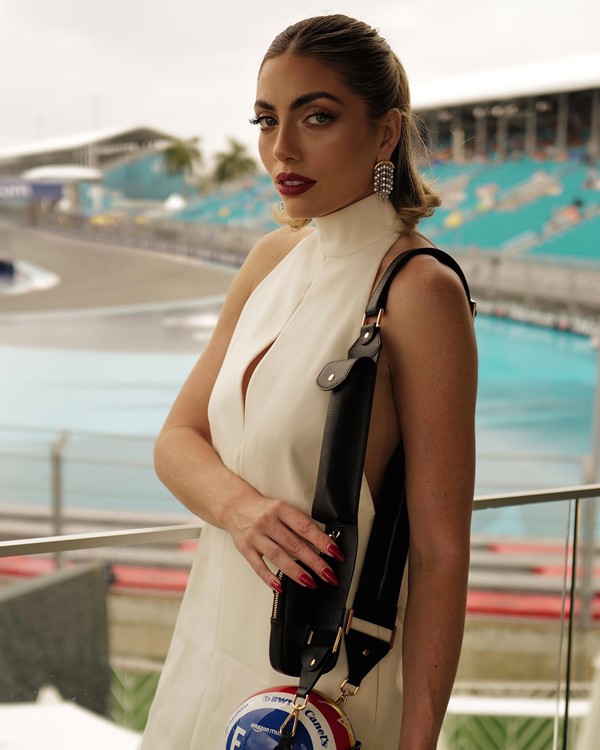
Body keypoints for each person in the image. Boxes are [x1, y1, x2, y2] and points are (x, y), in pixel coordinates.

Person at [141, 14, 477, 750]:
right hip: (206, 654)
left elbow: (441, 553)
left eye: (316, 116)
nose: (281, 148)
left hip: (325, 693)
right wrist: (240, 509)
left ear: (385, 133)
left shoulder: (420, 290)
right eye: (266, 120)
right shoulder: (270, 259)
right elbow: (175, 440)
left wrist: (419, 742)